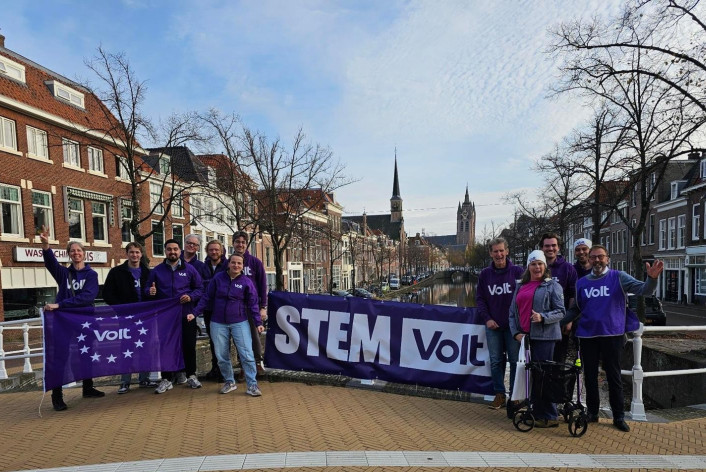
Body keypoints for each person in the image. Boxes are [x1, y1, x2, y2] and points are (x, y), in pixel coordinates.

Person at [565, 244, 663, 432]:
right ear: (589, 260)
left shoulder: (619, 277)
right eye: (593, 257)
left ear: (607, 259)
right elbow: (576, 308)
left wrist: (652, 279)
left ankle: (618, 416)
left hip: (613, 334)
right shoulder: (581, 283)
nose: (597, 260)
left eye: (600, 256)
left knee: (614, 376)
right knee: (589, 376)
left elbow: (645, 290)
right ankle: (592, 412)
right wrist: (558, 322)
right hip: (587, 335)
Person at [39, 225, 104, 411]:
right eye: (72, 251)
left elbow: (87, 297)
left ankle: (88, 387)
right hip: (63, 321)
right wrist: (46, 245)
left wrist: (60, 304)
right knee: (60, 356)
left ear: (84, 254)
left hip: (84, 320)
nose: (76, 253)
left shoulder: (91, 275)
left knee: (86, 353)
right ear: (69, 254)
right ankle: (57, 396)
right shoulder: (64, 273)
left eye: (79, 250)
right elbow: (51, 263)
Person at [191, 254, 264, 396]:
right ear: (228, 264)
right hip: (218, 322)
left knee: (247, 354)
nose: (236, 265)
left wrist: (258, 322)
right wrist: (195, 313)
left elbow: (253, 304)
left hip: (239, 322)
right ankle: (229, 382)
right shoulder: (218, 279)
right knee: (221, 355)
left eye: (239, 263)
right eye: (233, 262)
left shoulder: (246, 282)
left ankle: (252, 385)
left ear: (242, 266)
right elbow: (206, 297)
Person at [508, 250, 565, 428]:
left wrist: (543, 317)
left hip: (544, 337)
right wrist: (515, 333)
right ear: (528, 267)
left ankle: (549, 415)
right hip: (525, 338)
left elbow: (561, 311)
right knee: (531, 375)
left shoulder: (552, 286)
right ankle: (535, 410)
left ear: (545, 266)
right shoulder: (521, 286)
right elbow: (512, 313)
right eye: (533, 264)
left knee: (544, 376)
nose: (537, 267)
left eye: (540, 264)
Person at [145, 239, 203, 394]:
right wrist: (150, 292)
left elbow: (200, 289)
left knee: (188, 346)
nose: (172, 252)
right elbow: (146, 289)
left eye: (175, 249)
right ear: (165, 251)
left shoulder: (190, 269)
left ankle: (191, 375)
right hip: (165, 316)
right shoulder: (157, 271)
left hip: (186, 314)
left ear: (179, 251)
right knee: (166, 347)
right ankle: (166, 379)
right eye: (169, 249)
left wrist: (190, 297)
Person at [475, 237, 524, 410]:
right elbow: (480, 299)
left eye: (501, 250)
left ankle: (514, 396)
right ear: (490, 253)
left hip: (513, 328)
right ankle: (499, 394)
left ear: (507, 251)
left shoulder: (518, 272)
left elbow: (525, 296)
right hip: (493, 326)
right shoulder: (485, 274)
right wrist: (487, 318)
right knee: (495, 361)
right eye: (495, 251)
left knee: (514, 361)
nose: (499, 254)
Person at [102, 242, 156, 393]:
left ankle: (144, 379)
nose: (135, 255)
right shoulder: (116, 272)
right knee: (126, 348)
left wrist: (153, 294)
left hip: (144, 317)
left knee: (145, 348)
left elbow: (154, 294)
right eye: (132, 252)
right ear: (127, 254)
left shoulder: (148, 272)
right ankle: (125, 382)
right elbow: (107, 294)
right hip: (126, 317)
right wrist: (121, 308)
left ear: (141, 254)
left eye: (137, 252)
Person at [232, 231, 268, 379]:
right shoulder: (230, 262)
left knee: (254, 335)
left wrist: (263, 307)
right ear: (233, 243)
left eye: (243, 242)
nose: (240, 244)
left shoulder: (255, 262)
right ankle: (243, 366)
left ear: (246, 244)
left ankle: (257, 362)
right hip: (235, 307)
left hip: (252, 306)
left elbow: (262, 285)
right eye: (237, 242)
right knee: (238, 337)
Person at [540, 232, 577, 364]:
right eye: (547, 246)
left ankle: (557, 378)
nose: (550, 248)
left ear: (558, 247)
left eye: (553, 245)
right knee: (540, 362)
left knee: (558, 360)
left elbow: (573, 295)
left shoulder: (568, 268)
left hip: (560, 322)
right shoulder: (536, 267)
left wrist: (569, 320)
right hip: (539, 322)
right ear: (542, 248)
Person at [199, 239, 228, 381]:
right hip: (209, 308)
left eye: (217, 249)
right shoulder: (203, 267)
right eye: (211, 250)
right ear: (207, 251)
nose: (214, 252)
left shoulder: (227, 265)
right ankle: (215, 367)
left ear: (221, 251)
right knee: (213, 339)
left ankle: (224, 370)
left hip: (224, 308)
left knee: (224, 340)